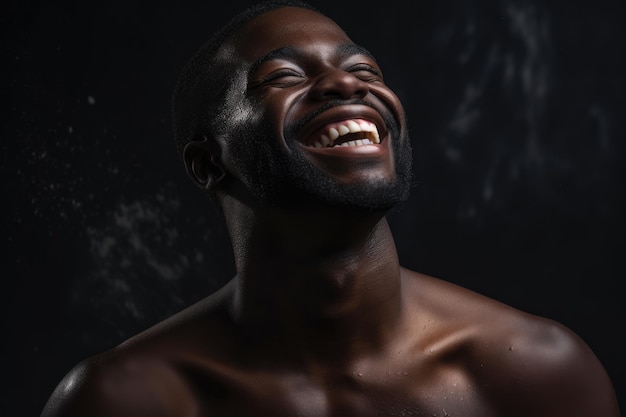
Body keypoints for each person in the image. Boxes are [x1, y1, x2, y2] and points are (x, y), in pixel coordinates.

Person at [41, 1, 620, 416]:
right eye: (283, 77)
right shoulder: (128, 399)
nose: (346, 86)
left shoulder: (537, 372)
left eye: (365, 70)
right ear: (208, 163)